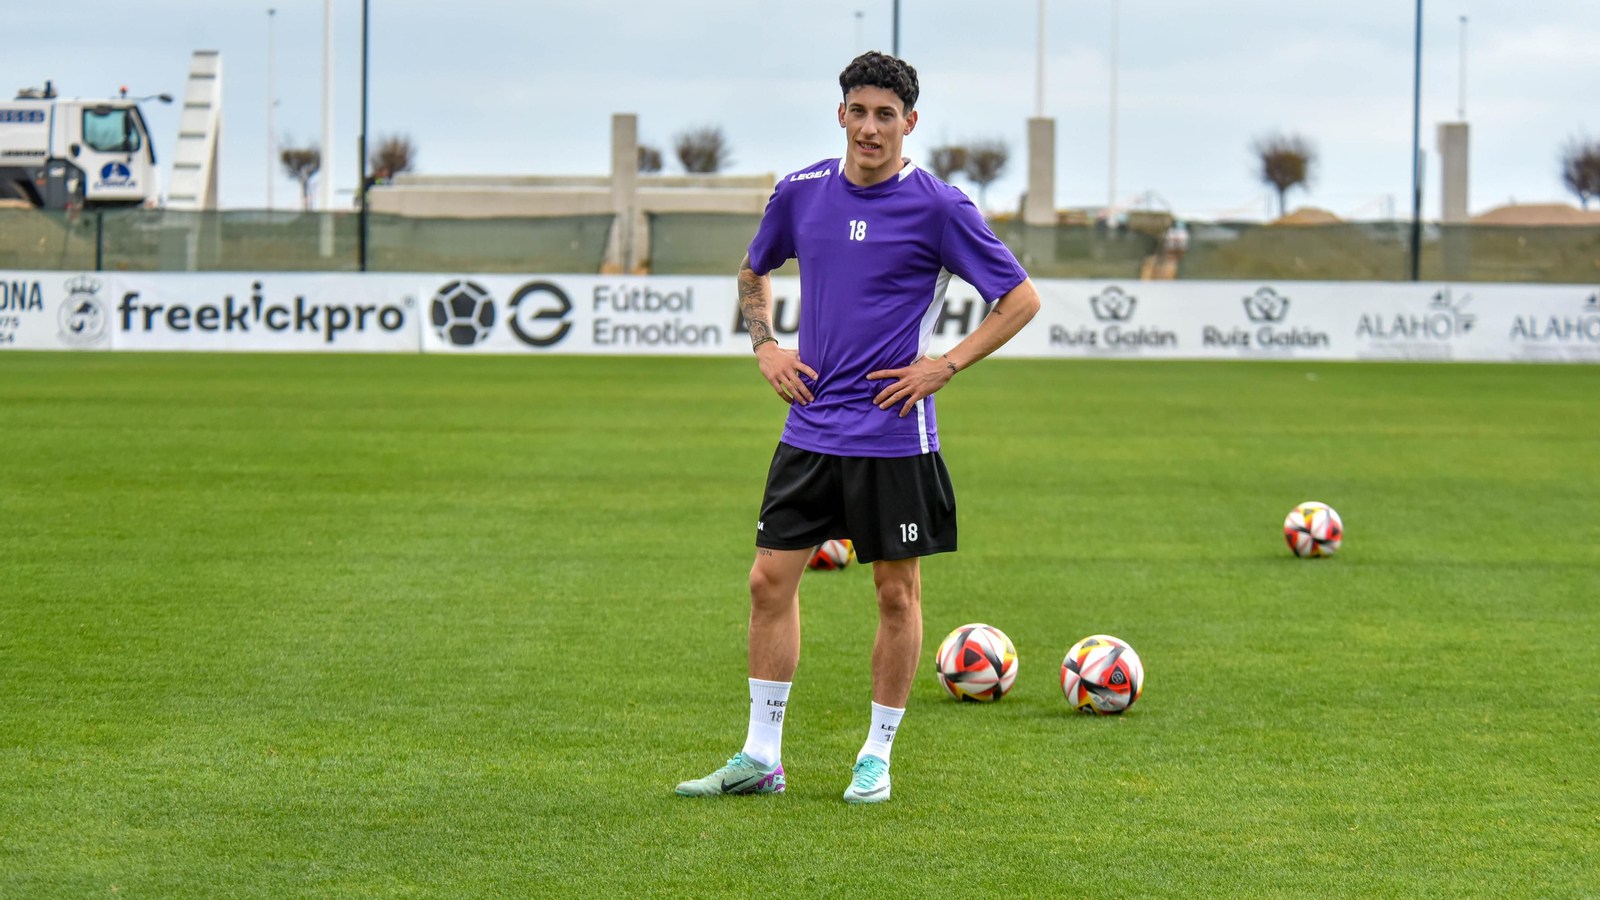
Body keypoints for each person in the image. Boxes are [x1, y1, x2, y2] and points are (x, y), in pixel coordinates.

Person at [674, 51, 1040, 804]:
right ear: (841, 114)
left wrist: (948, 364)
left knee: (895, 595)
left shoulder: (940, 207)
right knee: (767, 581)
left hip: (892, 433)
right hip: (809, 428)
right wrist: (766, 345)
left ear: (910, 124)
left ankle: (875, 756)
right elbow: (753, 271)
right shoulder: (801, 193)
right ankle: (761, 756)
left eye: (886, 115)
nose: (870, 127)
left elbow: (1021, 298)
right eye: (858, 111)